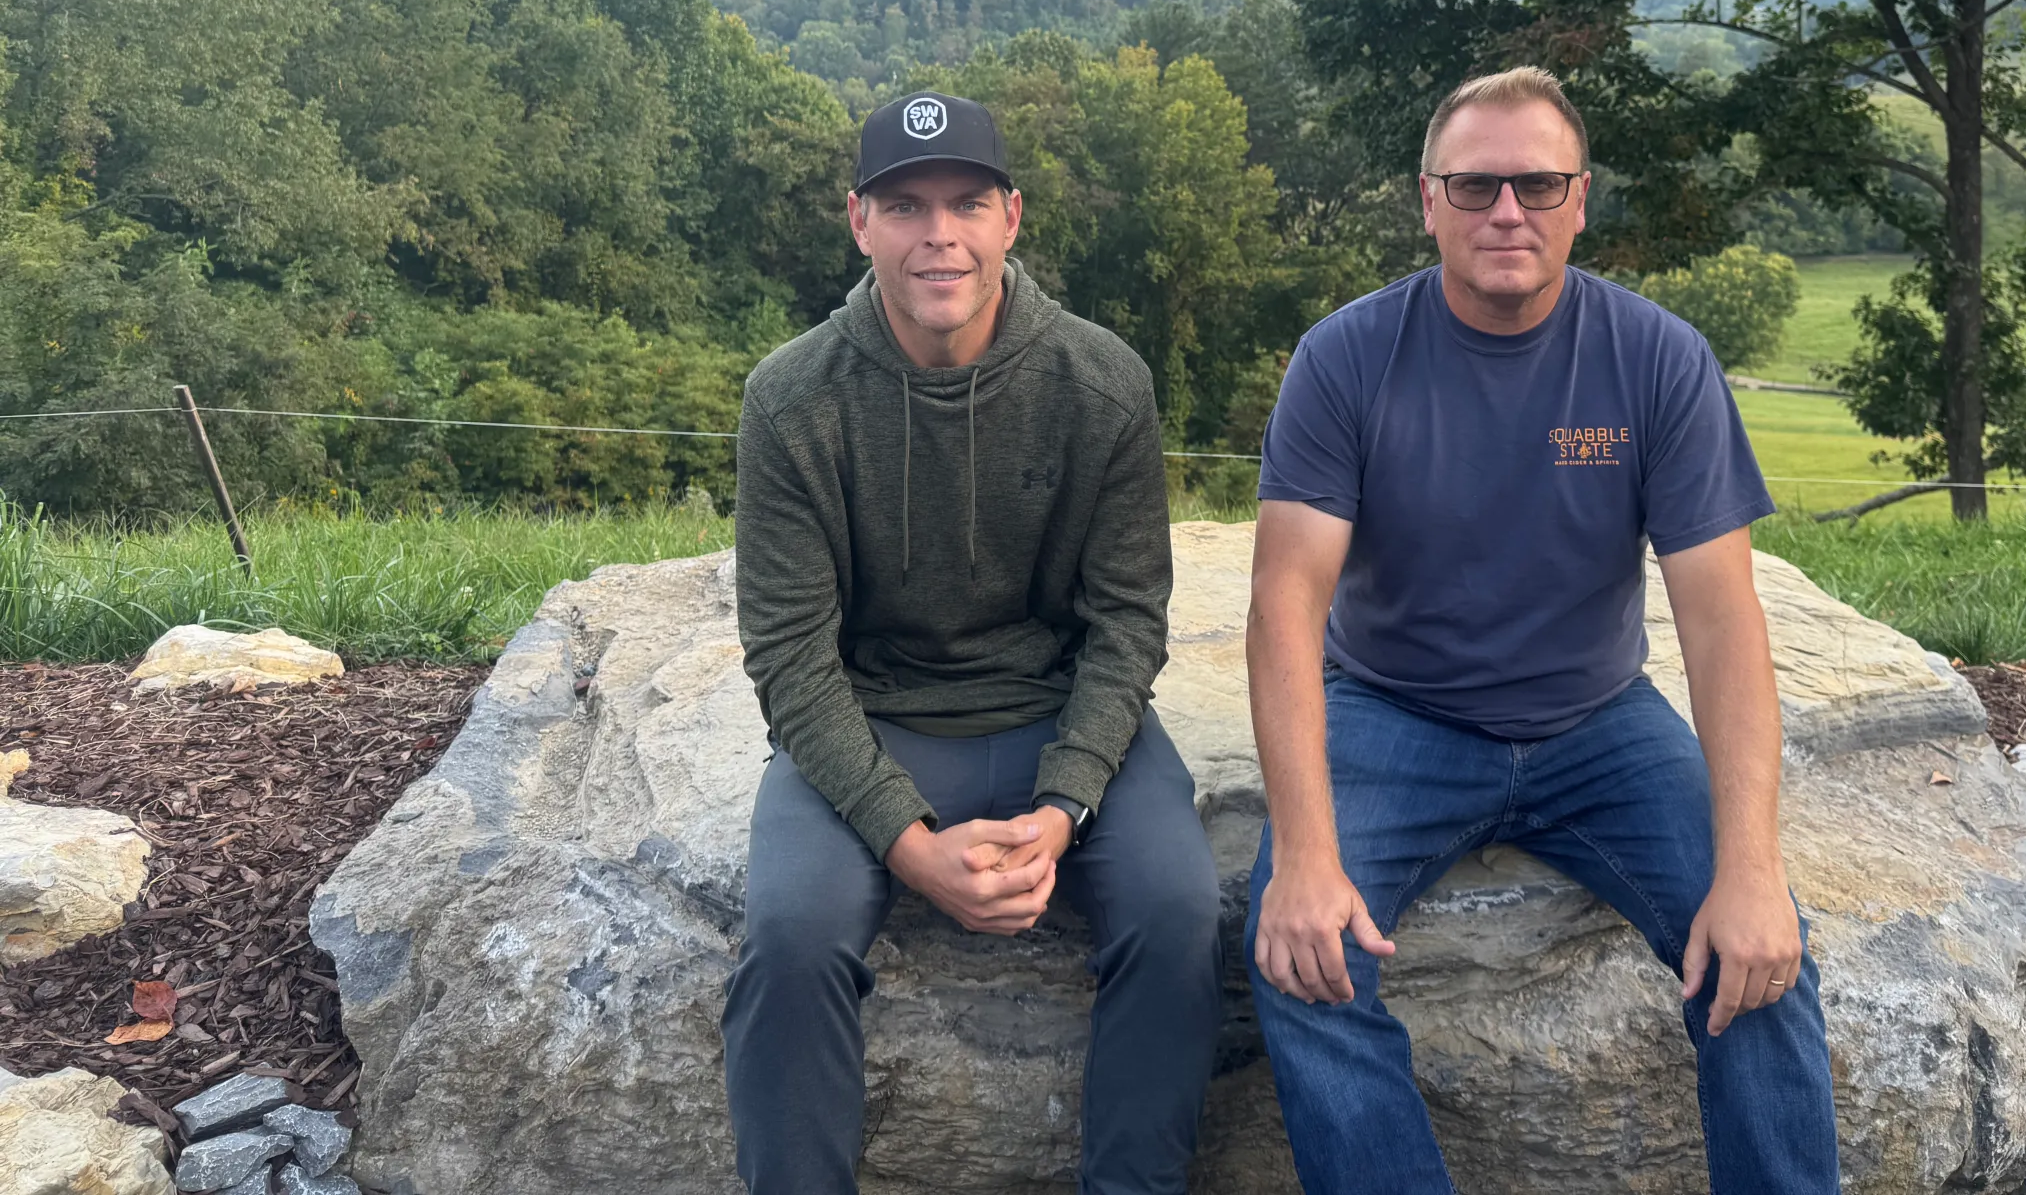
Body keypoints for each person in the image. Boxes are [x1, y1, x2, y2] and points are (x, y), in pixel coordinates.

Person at [1243, 66, 1842, 1194]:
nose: (1505, 212)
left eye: (1536, 184)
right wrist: (1308, 861)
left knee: (1763, 958)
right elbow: (1284, 608)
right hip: (1393, 713)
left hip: (1598, 722)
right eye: (1474, 186)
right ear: (1428, 200)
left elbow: (1720, 619)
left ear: (1580, 201)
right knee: (1297, 954)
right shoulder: (1346, 359)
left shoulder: (1657, 358)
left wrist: (1753, 869)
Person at [724, 89, 1224, 1195]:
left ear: (1012, 217)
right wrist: (910, 849)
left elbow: (1127, 622)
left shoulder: (1103, 384)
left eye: (965, 203)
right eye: (904, 206)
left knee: (1182, 909)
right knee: (791, 934)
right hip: (878, 716)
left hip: (1057, 714)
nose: (937, 233)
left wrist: (1063, 810)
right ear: (860, 223)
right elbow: (791, 660)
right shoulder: (791, 399)